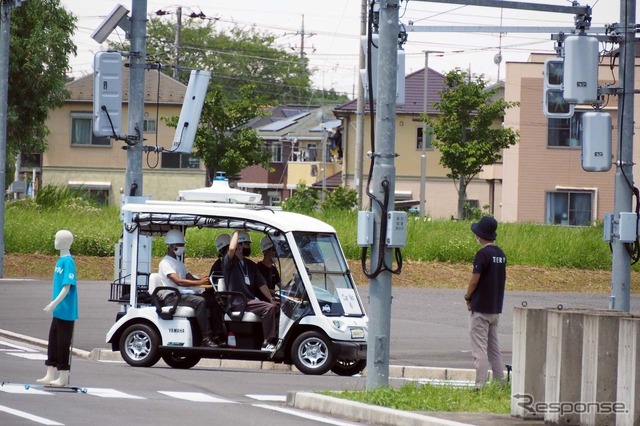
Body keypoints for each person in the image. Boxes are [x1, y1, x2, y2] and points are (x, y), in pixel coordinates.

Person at [158, 229, 224, 348]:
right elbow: (178, 281)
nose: (183, 247)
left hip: (182, 295)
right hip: (172, 297)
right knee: (200, 302)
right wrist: (199, 282)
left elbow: (189, 277)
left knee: (213, 300)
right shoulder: (165, 263)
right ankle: (206, 337)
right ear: (171, 246)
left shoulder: (178, 262)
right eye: (180, 245)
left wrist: (203, 280)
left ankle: (217, 335)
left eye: (183, 244)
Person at [464, 216, 506, 389]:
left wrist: (468, 297)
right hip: (495, 309)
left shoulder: (483, 254)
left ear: (480, 235)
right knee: (493, 349)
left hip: (480, 308)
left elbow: (475, 279)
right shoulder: (500, 255)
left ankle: (479, 386)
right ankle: (500, 384)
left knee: (479, 349)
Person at [223, 230, 279, 351]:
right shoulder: (229, 262)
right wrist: (237, 231)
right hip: (239, 302)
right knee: (268, 308)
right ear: (239, 245)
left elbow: (261, 284)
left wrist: (271, 299)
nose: (250, 247)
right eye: (247, 244)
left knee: (273, 306)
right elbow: (231, 250)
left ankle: (274, 339)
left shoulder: (250, 265)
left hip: (249, 301)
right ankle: (266, 342)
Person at [37, 230, 78, 387]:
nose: (55, 241)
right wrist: (54, 305)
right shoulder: (60, 260)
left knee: (63, 343)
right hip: (58, 310)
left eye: (58, 238)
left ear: (66, 242)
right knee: (53, 341)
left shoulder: (68, 262)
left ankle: (63, 375)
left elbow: (67, 287)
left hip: (66, 310)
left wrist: (54, 303)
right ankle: (50, 373)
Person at [257, 236, 281, 302]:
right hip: (262, 301)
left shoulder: (273, 269)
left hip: (272, 300)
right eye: (274, 250)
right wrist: (278, 293)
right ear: (266, 251)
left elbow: (280, 285)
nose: (276, 254)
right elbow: (261, 288)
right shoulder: (257, 269)